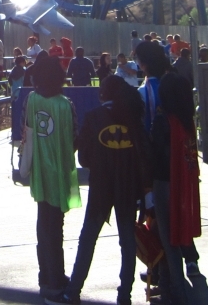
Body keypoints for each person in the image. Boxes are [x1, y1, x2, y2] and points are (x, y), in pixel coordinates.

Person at [58, 75, 153, 305]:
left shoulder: (93, 117)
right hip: (128, 187)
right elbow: (144, 154)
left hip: (101, 187)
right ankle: (125, 295)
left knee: (88, 238)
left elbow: (84, 158)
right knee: (127, 241)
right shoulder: (133, 117)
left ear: (104, 94)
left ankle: (74, 290)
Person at [25, 56, 80, 302]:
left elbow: (26, 132)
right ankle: (57, 278)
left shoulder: (32, 101)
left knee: (42, 224)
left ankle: (45, 274)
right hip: (58, 173)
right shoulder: (65, 105)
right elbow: (74, 141)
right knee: (56, 227)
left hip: (39, 173)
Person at [151, 72, 205, 305]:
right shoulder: (187, 121)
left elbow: (156, 155)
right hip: (186, 183)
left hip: (165, 183)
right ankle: (166, 284)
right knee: (177, 236)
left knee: (167, 238)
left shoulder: (163, 121)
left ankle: (177, 290)